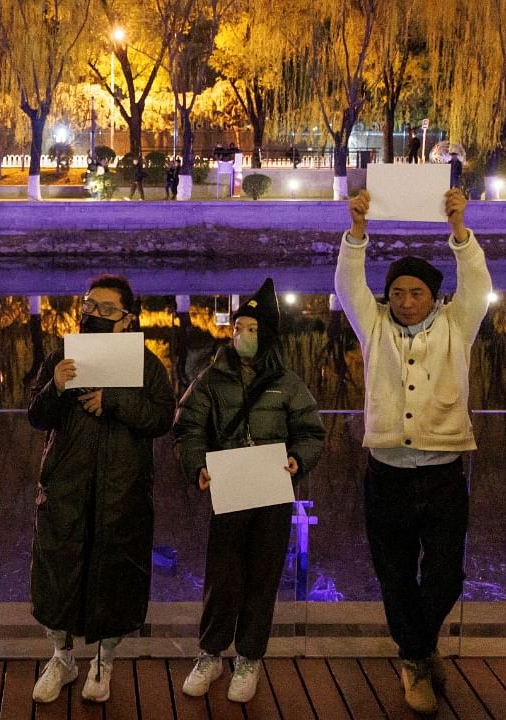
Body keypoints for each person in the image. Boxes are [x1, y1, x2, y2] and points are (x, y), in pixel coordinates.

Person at [334, 187, 492, 714]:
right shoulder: (373, 328)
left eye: (416, 292)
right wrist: (357, 233)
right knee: (395, 574)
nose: (405, 300)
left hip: (445, 474)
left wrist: (460, 231)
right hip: (387, 475)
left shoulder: (457, 326)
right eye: (397, 292)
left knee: (447, 574)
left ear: (434, 297)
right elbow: (347, 284)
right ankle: (415, 661)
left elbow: (478, 283)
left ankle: (420, 647)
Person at [173, 279, 326, 703]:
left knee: (263, 576)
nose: (242, 334)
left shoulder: (288, 383)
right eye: (238, 327)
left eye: (252, 328)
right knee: (222, 576)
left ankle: (250, 657)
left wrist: (298, 459)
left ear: (268, 336)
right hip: (229, 490)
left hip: (272, 493)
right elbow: (186, 426)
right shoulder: (212, 378)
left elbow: (312, 431)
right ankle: (210, 653)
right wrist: (197, 465)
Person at [27, 274, 176, 705]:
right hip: (66, 491)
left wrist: (115, 401)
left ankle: (104, 661)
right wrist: (55, 386)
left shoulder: (147, 365)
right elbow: (37, 417)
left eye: (106, 309)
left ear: (127, 319)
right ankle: (61, 657)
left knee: (115, 576)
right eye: (89, 306)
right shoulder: (62, 356)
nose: (93, 313)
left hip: (122, 493)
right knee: (58, 573)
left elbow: (162, 418)